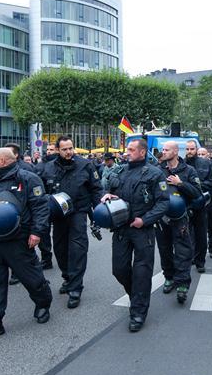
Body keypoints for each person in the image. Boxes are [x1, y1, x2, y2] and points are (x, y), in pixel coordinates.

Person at [0, 147, 53, 341]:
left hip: (19, 238)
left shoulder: (27, 178)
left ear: (5, 161)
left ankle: (43, 303)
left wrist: (37, 232)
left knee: (31, 277)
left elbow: (40, 206)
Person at [100, 137, 169, 332]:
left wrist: (145, 220)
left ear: (141, 152)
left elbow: (163, 202)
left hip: (142, 229)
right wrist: (106, 195)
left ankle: (138, 312)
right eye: (127, 149)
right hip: (121, 228)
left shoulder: (155, 174)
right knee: (119, 269)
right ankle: (136, 295)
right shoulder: (119, 170)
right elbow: (109, 190)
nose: (126, 152)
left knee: (142, 272)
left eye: (130, 149)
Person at [39, 135, 103, 308]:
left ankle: (76, 287)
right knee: (60, 249)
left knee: (77, 249)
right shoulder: (49, 168)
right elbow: (42, 191)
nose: (69, 152)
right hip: (58, 215)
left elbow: (96, 189)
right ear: (58, 150)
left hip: (78, 212)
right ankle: (67, 277)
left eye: (70, 148)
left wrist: (99, 212)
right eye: (65, 149)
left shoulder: (85, 165)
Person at [158, 140, 202, 304]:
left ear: (176, 151)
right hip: (161, 217)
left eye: (167, 149)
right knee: (164, 249)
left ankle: (182, 284)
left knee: (183, 251)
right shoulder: (158, 170)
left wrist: (180, 184)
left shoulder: (189, 170)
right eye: (162, 149)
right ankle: (169, 277)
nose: (164, 152)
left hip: (181, 217)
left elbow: (197, 193)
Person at [185, 140, 212, 273]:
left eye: (192, 149)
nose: (189, 152)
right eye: (187, 149)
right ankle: (191, 256)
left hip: (201, 204)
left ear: (196, 149)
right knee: (186, 234)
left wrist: (198, 187)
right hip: (186, 204)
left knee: (201, 234)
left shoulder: (206, 163)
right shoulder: (182, 164)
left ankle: (200, 261)